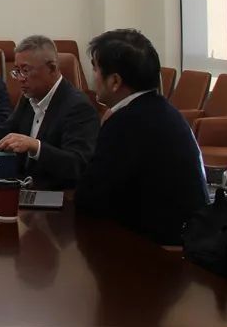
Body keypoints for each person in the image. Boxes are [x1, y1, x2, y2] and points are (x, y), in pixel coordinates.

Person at [74, 29, 208, 246]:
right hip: (190, 233)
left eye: (95, 69)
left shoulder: (126, 123)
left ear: (115, 81)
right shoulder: (163, 110)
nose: (93, 77)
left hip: (159, 247)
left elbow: (89, 198)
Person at [0, 35, 98, 189]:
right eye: (17, 71)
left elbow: (77, 164)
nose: (20, 78)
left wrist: (35, 146)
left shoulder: (78, 107)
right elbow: (9, 128)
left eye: (25, 70)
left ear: (52, 68)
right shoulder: (29, 96)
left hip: (55, 194)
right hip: (20, 187)